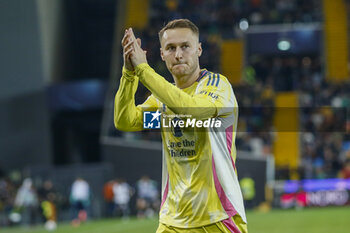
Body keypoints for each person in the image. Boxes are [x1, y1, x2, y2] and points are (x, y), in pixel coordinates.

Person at [115, 19, 247, 232]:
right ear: (162, 54)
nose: (178, 54)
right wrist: (129, 73)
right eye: (171, 48)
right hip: (172, 221)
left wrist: (143, 70)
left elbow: (192, 110)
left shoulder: (217, 86)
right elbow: (126, 120)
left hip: (218, 217)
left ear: (199, 50)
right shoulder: (161, 102)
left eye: (185, 46)